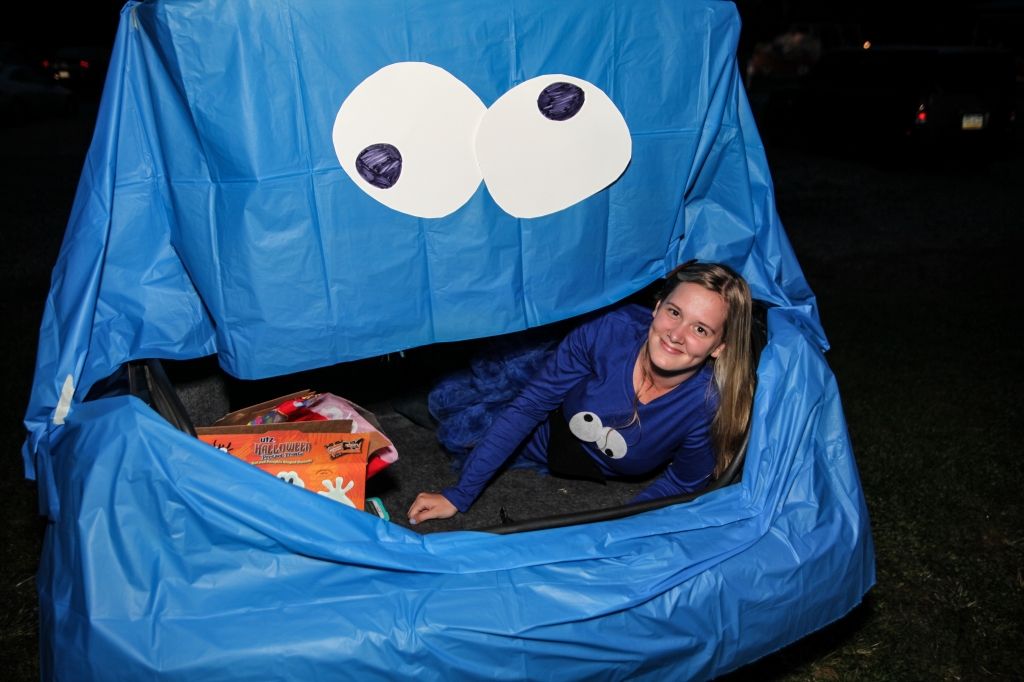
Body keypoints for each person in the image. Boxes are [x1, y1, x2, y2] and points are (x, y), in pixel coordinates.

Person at [407, 261, 756, 524]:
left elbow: (682, 482)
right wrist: (457, 495)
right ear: (657, 306)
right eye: (674, 312)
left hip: (591, 465)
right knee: (440, 405)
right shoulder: (608, 330)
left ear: (719, 347)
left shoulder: (709, 405)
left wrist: (616, 531)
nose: (676, 334)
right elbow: (528, 407)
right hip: (543, 420)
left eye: (700, 328)